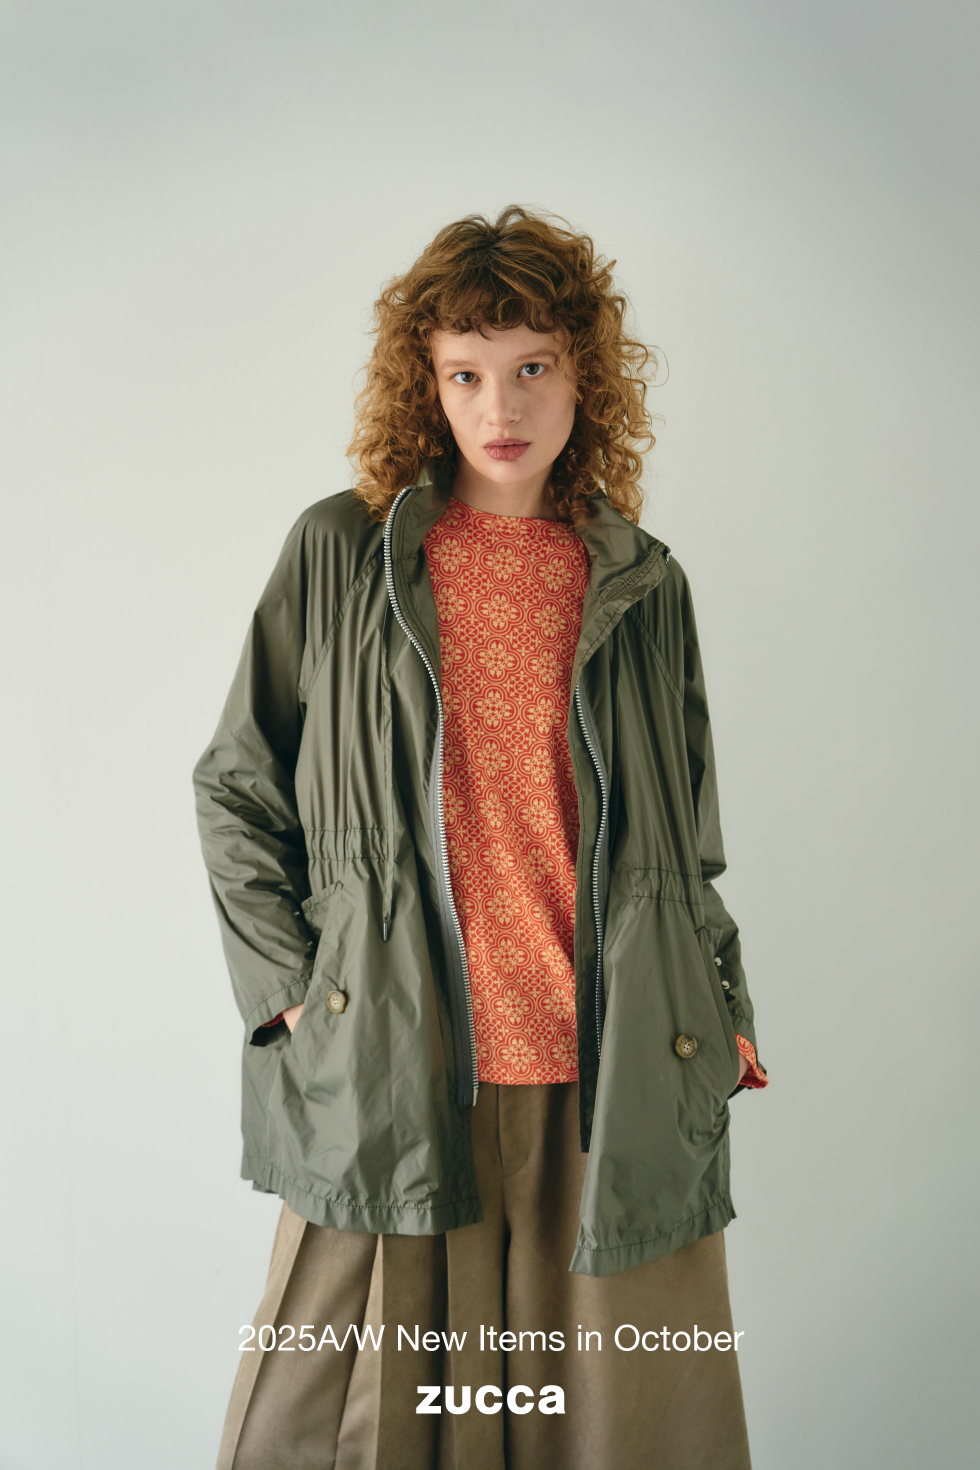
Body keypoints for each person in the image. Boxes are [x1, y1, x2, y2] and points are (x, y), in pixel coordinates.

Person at [194, 205, 768, 1470]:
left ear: (583, 378)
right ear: (427, 385)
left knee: (617, 1426)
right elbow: (236, 784)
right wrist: (289, 991)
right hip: (397, 1050)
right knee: (344, 1420)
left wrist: (721, 1001)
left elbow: (686, 846)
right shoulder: (344, 551)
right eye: (465, 373)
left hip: (601, 1062)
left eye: (531, 368)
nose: (499, 406)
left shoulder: (642, 581)